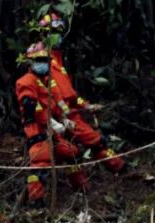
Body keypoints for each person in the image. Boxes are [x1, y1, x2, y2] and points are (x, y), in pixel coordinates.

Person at [33, 12, 124, 173]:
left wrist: (87, 106)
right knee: (95, 142)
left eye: (59, 32)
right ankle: (119, 167)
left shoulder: (58, 61)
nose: (58, 37)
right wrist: (59, 118)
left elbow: (70, 96)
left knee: (71, 156)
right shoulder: (44, 62)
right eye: (54, 33)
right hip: (61, 118)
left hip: (67, 116)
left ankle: (81, 187)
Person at [15, 41, 87, 203]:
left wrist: (64, 120)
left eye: (44, 61)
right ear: (31, 62)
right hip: (36, 129)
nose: (42, 64)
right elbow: (32, 108)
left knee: (72, 153)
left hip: (53, 130)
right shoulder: (26, 82)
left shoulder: (48, 81)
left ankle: (81, 190)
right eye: (38, 61)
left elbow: (55, 104)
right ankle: (36, 201)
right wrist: (52, 124)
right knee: (41, 163)